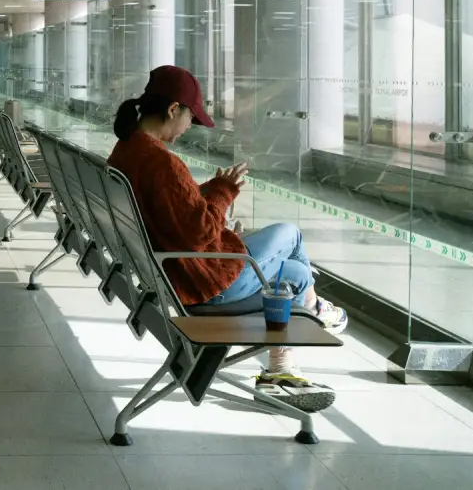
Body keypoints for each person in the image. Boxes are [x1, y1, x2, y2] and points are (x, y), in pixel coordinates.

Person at [107, 65, 347, 413]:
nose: (190, 126)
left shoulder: (127, 150)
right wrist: (223, 193)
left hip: (166, 273)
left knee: (291, 270)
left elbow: (169, 208)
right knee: (292, 253)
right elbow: (199, 233)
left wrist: (209, 192)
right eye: (191, 117)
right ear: (174, 109)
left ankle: (289, 357)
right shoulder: (161, 162)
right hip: (201, 282)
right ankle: (310, 321)